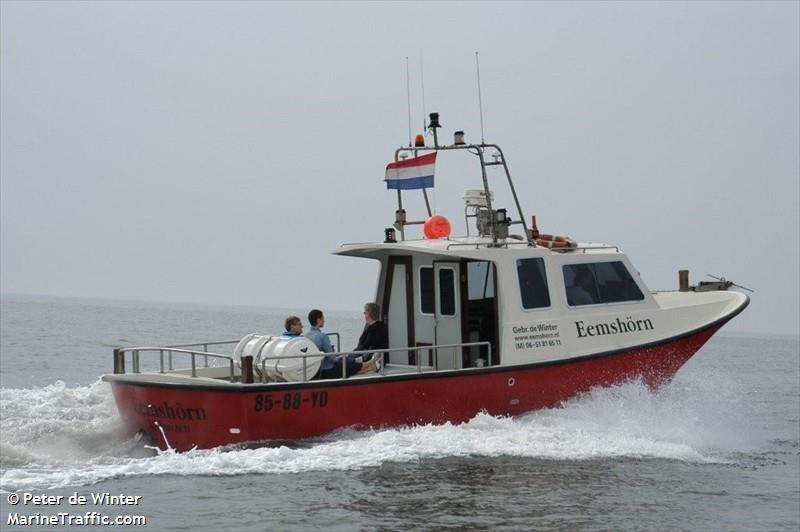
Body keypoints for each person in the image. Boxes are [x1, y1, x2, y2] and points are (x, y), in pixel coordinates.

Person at [304, 309, 337, 377]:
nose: (324, 321)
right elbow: (332, 359)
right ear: (318, 320)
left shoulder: (305, 335)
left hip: (312, 369)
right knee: (351, 365)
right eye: (323, 319)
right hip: (326, 369)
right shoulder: (323, 336)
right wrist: (341, 358)